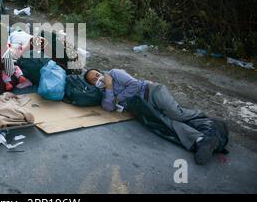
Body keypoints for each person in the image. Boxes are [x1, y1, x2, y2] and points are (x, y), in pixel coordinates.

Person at [84, 68, 229, 165]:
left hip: (152, 92)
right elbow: (108, 107)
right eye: (93, 80)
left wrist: (117, 97)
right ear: (93, 84)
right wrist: (109, 88)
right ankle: (201, 140)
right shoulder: (104, 93)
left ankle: (209, 121)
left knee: (176, 114)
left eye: (97, 74)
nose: (98, 79)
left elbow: (134, 85)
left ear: (100, 72)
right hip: (144, 107)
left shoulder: (114, 73)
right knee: (167, 123)